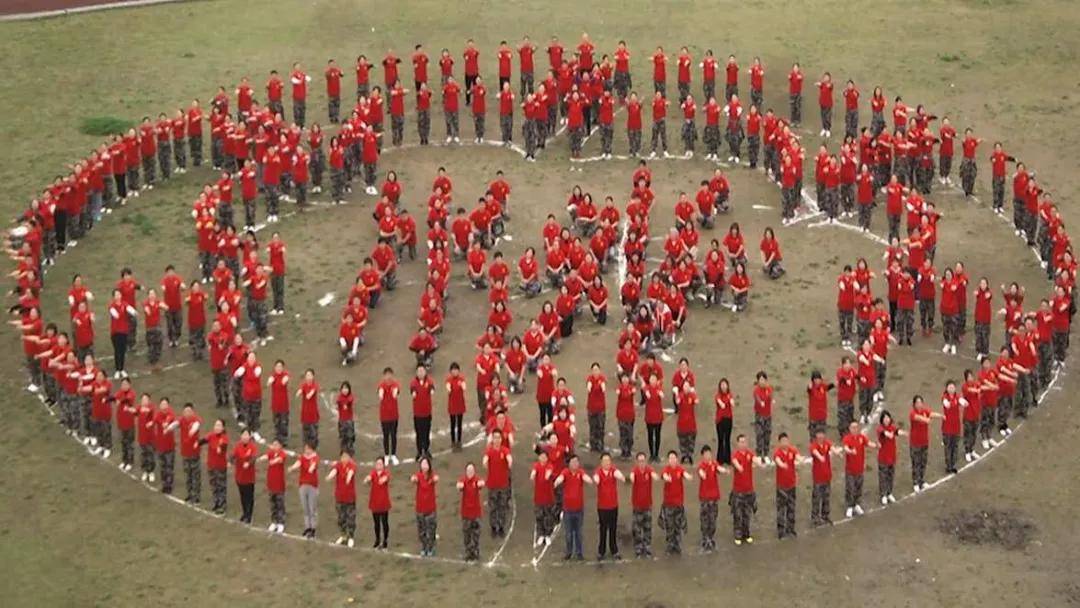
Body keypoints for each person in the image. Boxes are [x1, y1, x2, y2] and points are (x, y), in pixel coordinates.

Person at [554, 454, 590, 561]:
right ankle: (569, 552)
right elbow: (560, 478)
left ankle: (579, 552)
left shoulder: (580, 472)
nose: (575, 464)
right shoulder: (565, 472)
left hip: (579, 509)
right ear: (569, 464)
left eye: (576, 462)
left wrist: (589, 479)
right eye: (573, 462)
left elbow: (586, 478)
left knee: (578, 532)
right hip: (568, 509)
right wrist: (557, 481)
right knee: (569, 533)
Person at [841, 421, 876, 518]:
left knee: (858, 487)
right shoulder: (847, 438)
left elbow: (868, 443)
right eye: (853, 427)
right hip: (850, 470)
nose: (855, 429)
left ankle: (856, 504)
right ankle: (849, 506)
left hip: (860, 468)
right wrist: (851, 451)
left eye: (856, 427)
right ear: (850, 429)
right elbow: (846, 448)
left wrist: (876, 445)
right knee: (850, 488)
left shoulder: (861, 437)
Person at [593, 452, 625, 560]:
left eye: (608, 461)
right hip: (602, 507)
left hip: (613, 505)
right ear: (601, 462)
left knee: (613, 528)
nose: (607, 463)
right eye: (604, 461)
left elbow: (619, 475)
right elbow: (596, 478)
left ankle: (614, 549)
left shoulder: (613, 471)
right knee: (603, 529)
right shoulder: (598, 472)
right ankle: (601, 551)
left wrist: (622, 477)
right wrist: (596, 480)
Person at [659, 450, 691, 554]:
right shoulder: (666, 470)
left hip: (678, 504)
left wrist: (687, 476)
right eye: (670, 458)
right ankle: (670, 545)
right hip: (668, 504)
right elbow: (663, 475)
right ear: (668, 460)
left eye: (674, 458)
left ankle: (677, 545)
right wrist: (666, 478)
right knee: (670, 526)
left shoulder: (679, 469)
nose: (672, 460)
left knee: (677, 526)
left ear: (677, 460)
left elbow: (685, 473)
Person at [729, 435, 758, 544]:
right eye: (741, 442)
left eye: (744, 442)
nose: (743, 444)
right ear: (737, 444)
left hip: (749, 490)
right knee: (738, 514)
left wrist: (759, 462)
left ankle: (746, 533)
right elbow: (735, 462)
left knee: (747, 513)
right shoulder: (735, 455)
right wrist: (738, 466)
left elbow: (755, 459)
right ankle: (738, 534)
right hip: (738, 491)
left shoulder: (749, 454)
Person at [909, 395, 942, 492]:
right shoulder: (913, 413)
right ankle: (915, 482)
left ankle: (921, 481)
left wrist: (940, 416)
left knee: (923, 462)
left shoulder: (925, 411)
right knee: (916, 463)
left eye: (920, 402)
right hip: (915, 443)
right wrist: (926, 420)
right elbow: (917, 417)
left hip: (924, 442)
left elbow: (931, 414)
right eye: (917, 403)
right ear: (914, 404)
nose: (919, 405)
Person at [483, 429, 513, 537]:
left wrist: (509, 462)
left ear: (501, 439)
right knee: (493, 506)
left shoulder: (505, 450)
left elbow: (509, 458)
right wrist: (485, 462)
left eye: (498, 438)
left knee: (502, 506)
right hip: (492, 484)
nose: (496, 440)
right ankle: (493, 526)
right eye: (495, 437)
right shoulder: (489, 451)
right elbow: (485, 459)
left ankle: (501, 526)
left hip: (503, 484)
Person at [287, 442, 319, 539]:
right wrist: (292, 468)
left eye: (308, 449)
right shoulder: (303, 457)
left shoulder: (315, 457)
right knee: (305, 508)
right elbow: (298, 463)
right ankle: (307, 527)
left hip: (312, 486)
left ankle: (313, 528)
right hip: (303, 485)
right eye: (305, 448)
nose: (306, 450)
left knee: (311, 508)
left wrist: (311, 468)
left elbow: (314, 464)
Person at [809, 428, 840, 526]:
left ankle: (825, 515)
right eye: (819, 434)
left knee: (826, 497)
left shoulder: (827, 443)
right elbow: (814, 452)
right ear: (816, 435)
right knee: (817, 498)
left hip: (827, 476)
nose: (821, 436)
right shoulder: (814, 445)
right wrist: (820, 457)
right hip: (818, 477)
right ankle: (815, 517)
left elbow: (832, 448)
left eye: (822, 433)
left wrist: (837, 452)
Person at [326, 450, 357, 547]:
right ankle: (343, 535)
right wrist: (329, 476)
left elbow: (351, 472)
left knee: (350, 518)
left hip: (350, 497)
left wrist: (348, 478)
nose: (344, 459)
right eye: (343, 457)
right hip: (339, 497)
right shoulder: (338, 465)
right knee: (341, 518)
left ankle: (351, 537)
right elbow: (334, 471)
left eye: (346, 457)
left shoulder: (352, 466)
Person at [772, 432, 800, 538]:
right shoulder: (778, 453)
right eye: (783, 441)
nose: (785, 443)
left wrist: (799, 459)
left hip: (791, 485)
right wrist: (782, 464)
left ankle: (790, 528)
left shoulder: (792, 450)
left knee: (791, 507)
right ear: (779, 443)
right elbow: (778, 461)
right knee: (781, 509)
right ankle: (781, 530)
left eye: (786, 441)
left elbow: (797, 456)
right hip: (781, 487)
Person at [697, 445, 723, 551]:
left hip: (714, 497)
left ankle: (711, 538)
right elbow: (700, 472)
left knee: (713, 519)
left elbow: (719, 468)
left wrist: (723, 470)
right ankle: (705, 538)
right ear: (703, 456)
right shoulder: (701, 466)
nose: (708, 456)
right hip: (704, 498)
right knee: (705, 519)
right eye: (706, 454)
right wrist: (702, 474)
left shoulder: (714, 464)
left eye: (709, 454)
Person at [411, 457, 439, 556]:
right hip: (420, 508)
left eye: (426, 464)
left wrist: (434, 479)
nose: (424, 466)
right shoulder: (418, 476)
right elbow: (413, 478)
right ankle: (424, 546)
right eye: (422, 464)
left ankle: (431, 547)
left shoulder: (432, 476)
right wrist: (414, 479)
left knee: (431, 530)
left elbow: (436, 478)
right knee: (422, 530)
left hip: (430, 508)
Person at [259, 438, 287, 533]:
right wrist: (259, 459)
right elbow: (266, 456)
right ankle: (274, 521)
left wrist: (273, 461)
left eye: (276, 445)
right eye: (273, 444)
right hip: (271, 484)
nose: (274, 446)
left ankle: (281, 523)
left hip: (279, 485)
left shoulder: (282, 454)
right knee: (273, 504)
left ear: (280, 446)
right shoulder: (271, 453)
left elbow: (280, 459)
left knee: (280, 504)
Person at [458, 462, 485, 561]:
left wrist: (479, 484)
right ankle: (468, 552)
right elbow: (459, 485)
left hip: (476, 513)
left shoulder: (477, 480)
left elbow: (482, 483)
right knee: (467, 534)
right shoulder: (463, 480)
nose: (470, 472)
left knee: (476, 534)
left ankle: (476, 552)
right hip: (466, 513)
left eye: (472, 471)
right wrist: (460, 486)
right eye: (468, 471)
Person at [364, 457, 392, 550]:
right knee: (376, 523)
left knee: (384, 522)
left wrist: (383, 479)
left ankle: (385, 541)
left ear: (384, 465)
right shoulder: (373, 473)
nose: (378, 465)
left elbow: (387, 478)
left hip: (383, 502)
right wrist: (367, 479)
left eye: (380, 464)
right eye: (377, 464)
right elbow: (369, 478)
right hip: (375, 502)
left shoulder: (386, 473)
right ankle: (377, 540)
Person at [232, 428, 257, 524]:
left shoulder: (252, 447)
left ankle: (249, 515)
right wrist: (231, 461)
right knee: (242, 496)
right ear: (241, 436)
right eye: (244, 435)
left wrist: (249, 463)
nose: (245, 437)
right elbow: (233, 456)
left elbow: (254, 457)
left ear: (250, 436)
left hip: (249, 477)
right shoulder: (238, 446)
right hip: (240, 476)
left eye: (247, 435)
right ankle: (244, 513)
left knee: (249, 496)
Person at [178, 403, 203, 504]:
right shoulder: (182, 420)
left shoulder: (196, 420)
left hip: (194, 453)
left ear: (193, 412)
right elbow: (175, 424)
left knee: (195, 475)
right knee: (188, 475)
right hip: (185, 452)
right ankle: (189, 494)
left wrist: (192, 431)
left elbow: (197, 425)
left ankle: (196, 496)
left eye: (189, 411)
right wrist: (168, 428)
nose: (187, 413)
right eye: (185, 411)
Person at [153, 397, 178, 495]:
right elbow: (156, 420)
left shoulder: (170, 413)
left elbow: (170, 419)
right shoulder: (158, 414)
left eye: (165, 404)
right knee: (163, 466)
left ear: (168, 405)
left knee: (169, 466)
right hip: (160, 446)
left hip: (169, 446)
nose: (163, 406)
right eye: (162, 404)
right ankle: (164, 484)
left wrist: (166, 423)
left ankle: (169, 485)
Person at [205, 418, 229, 515]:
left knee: (221, 486)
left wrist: (220, 447)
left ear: (223, 428)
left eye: (219, 425)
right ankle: (216, 502)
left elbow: (223, 445)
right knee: (214, 486)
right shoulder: (211, 435)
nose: (217, 427)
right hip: (211, 465)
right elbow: (203, 440)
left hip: (220, 467)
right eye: (216, 425)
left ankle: (222, 505)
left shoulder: (224, 437)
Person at [378, 367, 401, 464]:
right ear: (384, 376)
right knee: (386, 436)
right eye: (386, 375)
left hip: (394, 415)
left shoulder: (395, 385)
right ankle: (387, 455)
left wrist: (395, 393)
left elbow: (396, 391)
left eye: (390, 375)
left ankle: (394, 454)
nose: (388, 377)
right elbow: (380, 393)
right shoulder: (381, 385)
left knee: (394, 435)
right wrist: (381, 394)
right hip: (384, 416)